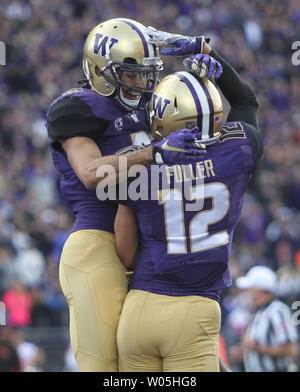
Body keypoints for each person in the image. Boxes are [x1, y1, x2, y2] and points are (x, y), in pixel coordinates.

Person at [46, 18, 204, 372]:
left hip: (152, 245)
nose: (140, 83)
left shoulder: (152, 107)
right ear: (100, 69)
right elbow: (89, 173)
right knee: (105, 368)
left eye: (145, 74)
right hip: (98, 241)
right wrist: (154, 152)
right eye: (129, 73)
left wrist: (210, 58)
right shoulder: (78, 107)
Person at [114, 29, 263, 371]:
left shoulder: (139, 163)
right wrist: (211, 55)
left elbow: (124, 252)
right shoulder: (238, 150)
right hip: (195, 309)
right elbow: (246, 102)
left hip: (141, 307)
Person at [235, 265, 299, 372]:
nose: (248, 292)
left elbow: (291, 349)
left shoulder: (277, 310)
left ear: (259, 289)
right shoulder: (258, 312)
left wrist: (257, 348)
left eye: (250, 288)